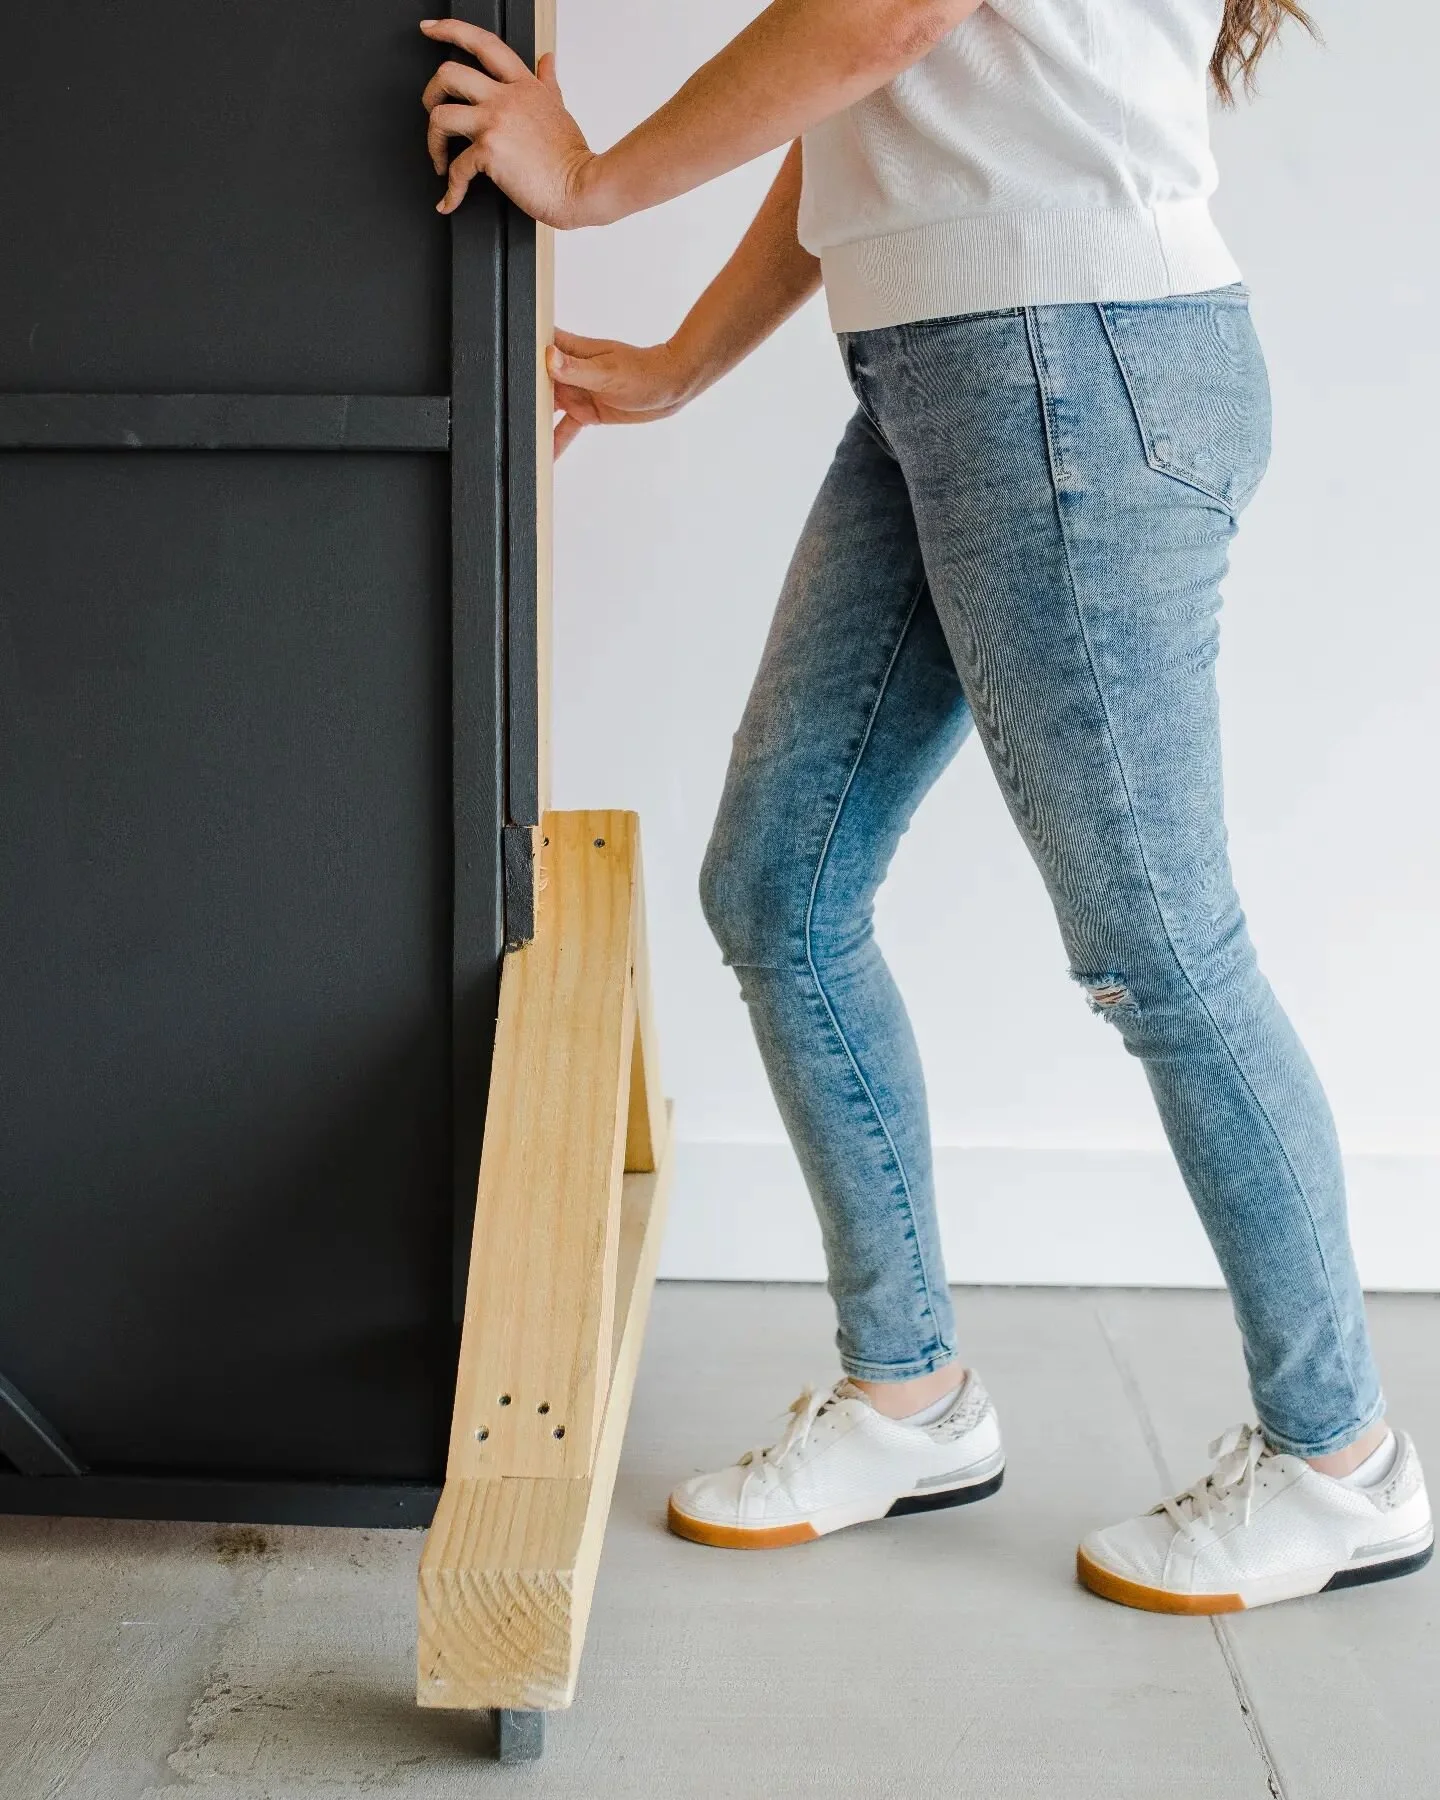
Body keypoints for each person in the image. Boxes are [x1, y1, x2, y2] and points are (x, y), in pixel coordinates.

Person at [418, 0, 1433, 1613]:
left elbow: (876, 21)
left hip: (1069, 367)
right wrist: (685, 360)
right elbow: (878, 107)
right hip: (962, 375)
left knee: (1158, 948)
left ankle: (1341, 1463)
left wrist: (596, 180)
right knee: (778, 889)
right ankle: (910, 1401)